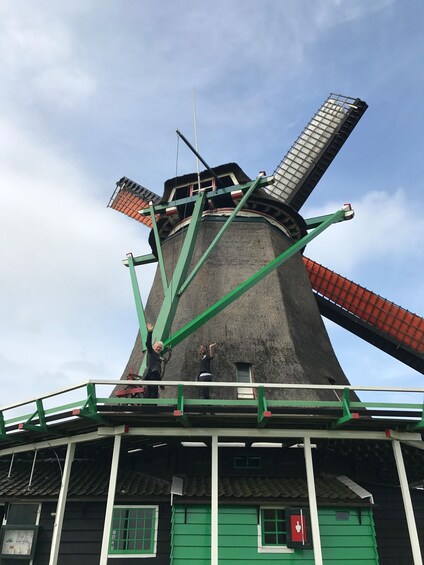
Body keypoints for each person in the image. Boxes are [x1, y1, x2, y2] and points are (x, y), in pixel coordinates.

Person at [144, 322, 165, 399]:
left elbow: (158, 373)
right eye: (157, 346)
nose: (158, 348)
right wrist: (150, 332)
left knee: (154, 393)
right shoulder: (151, 352)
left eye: (160, 348)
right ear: (154, 346)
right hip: (151, 375)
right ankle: (149, 407)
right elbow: (148, 343)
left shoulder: (158, 358)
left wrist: (161, 385)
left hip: (155, 376)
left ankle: (152, 407)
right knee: (151, 392)